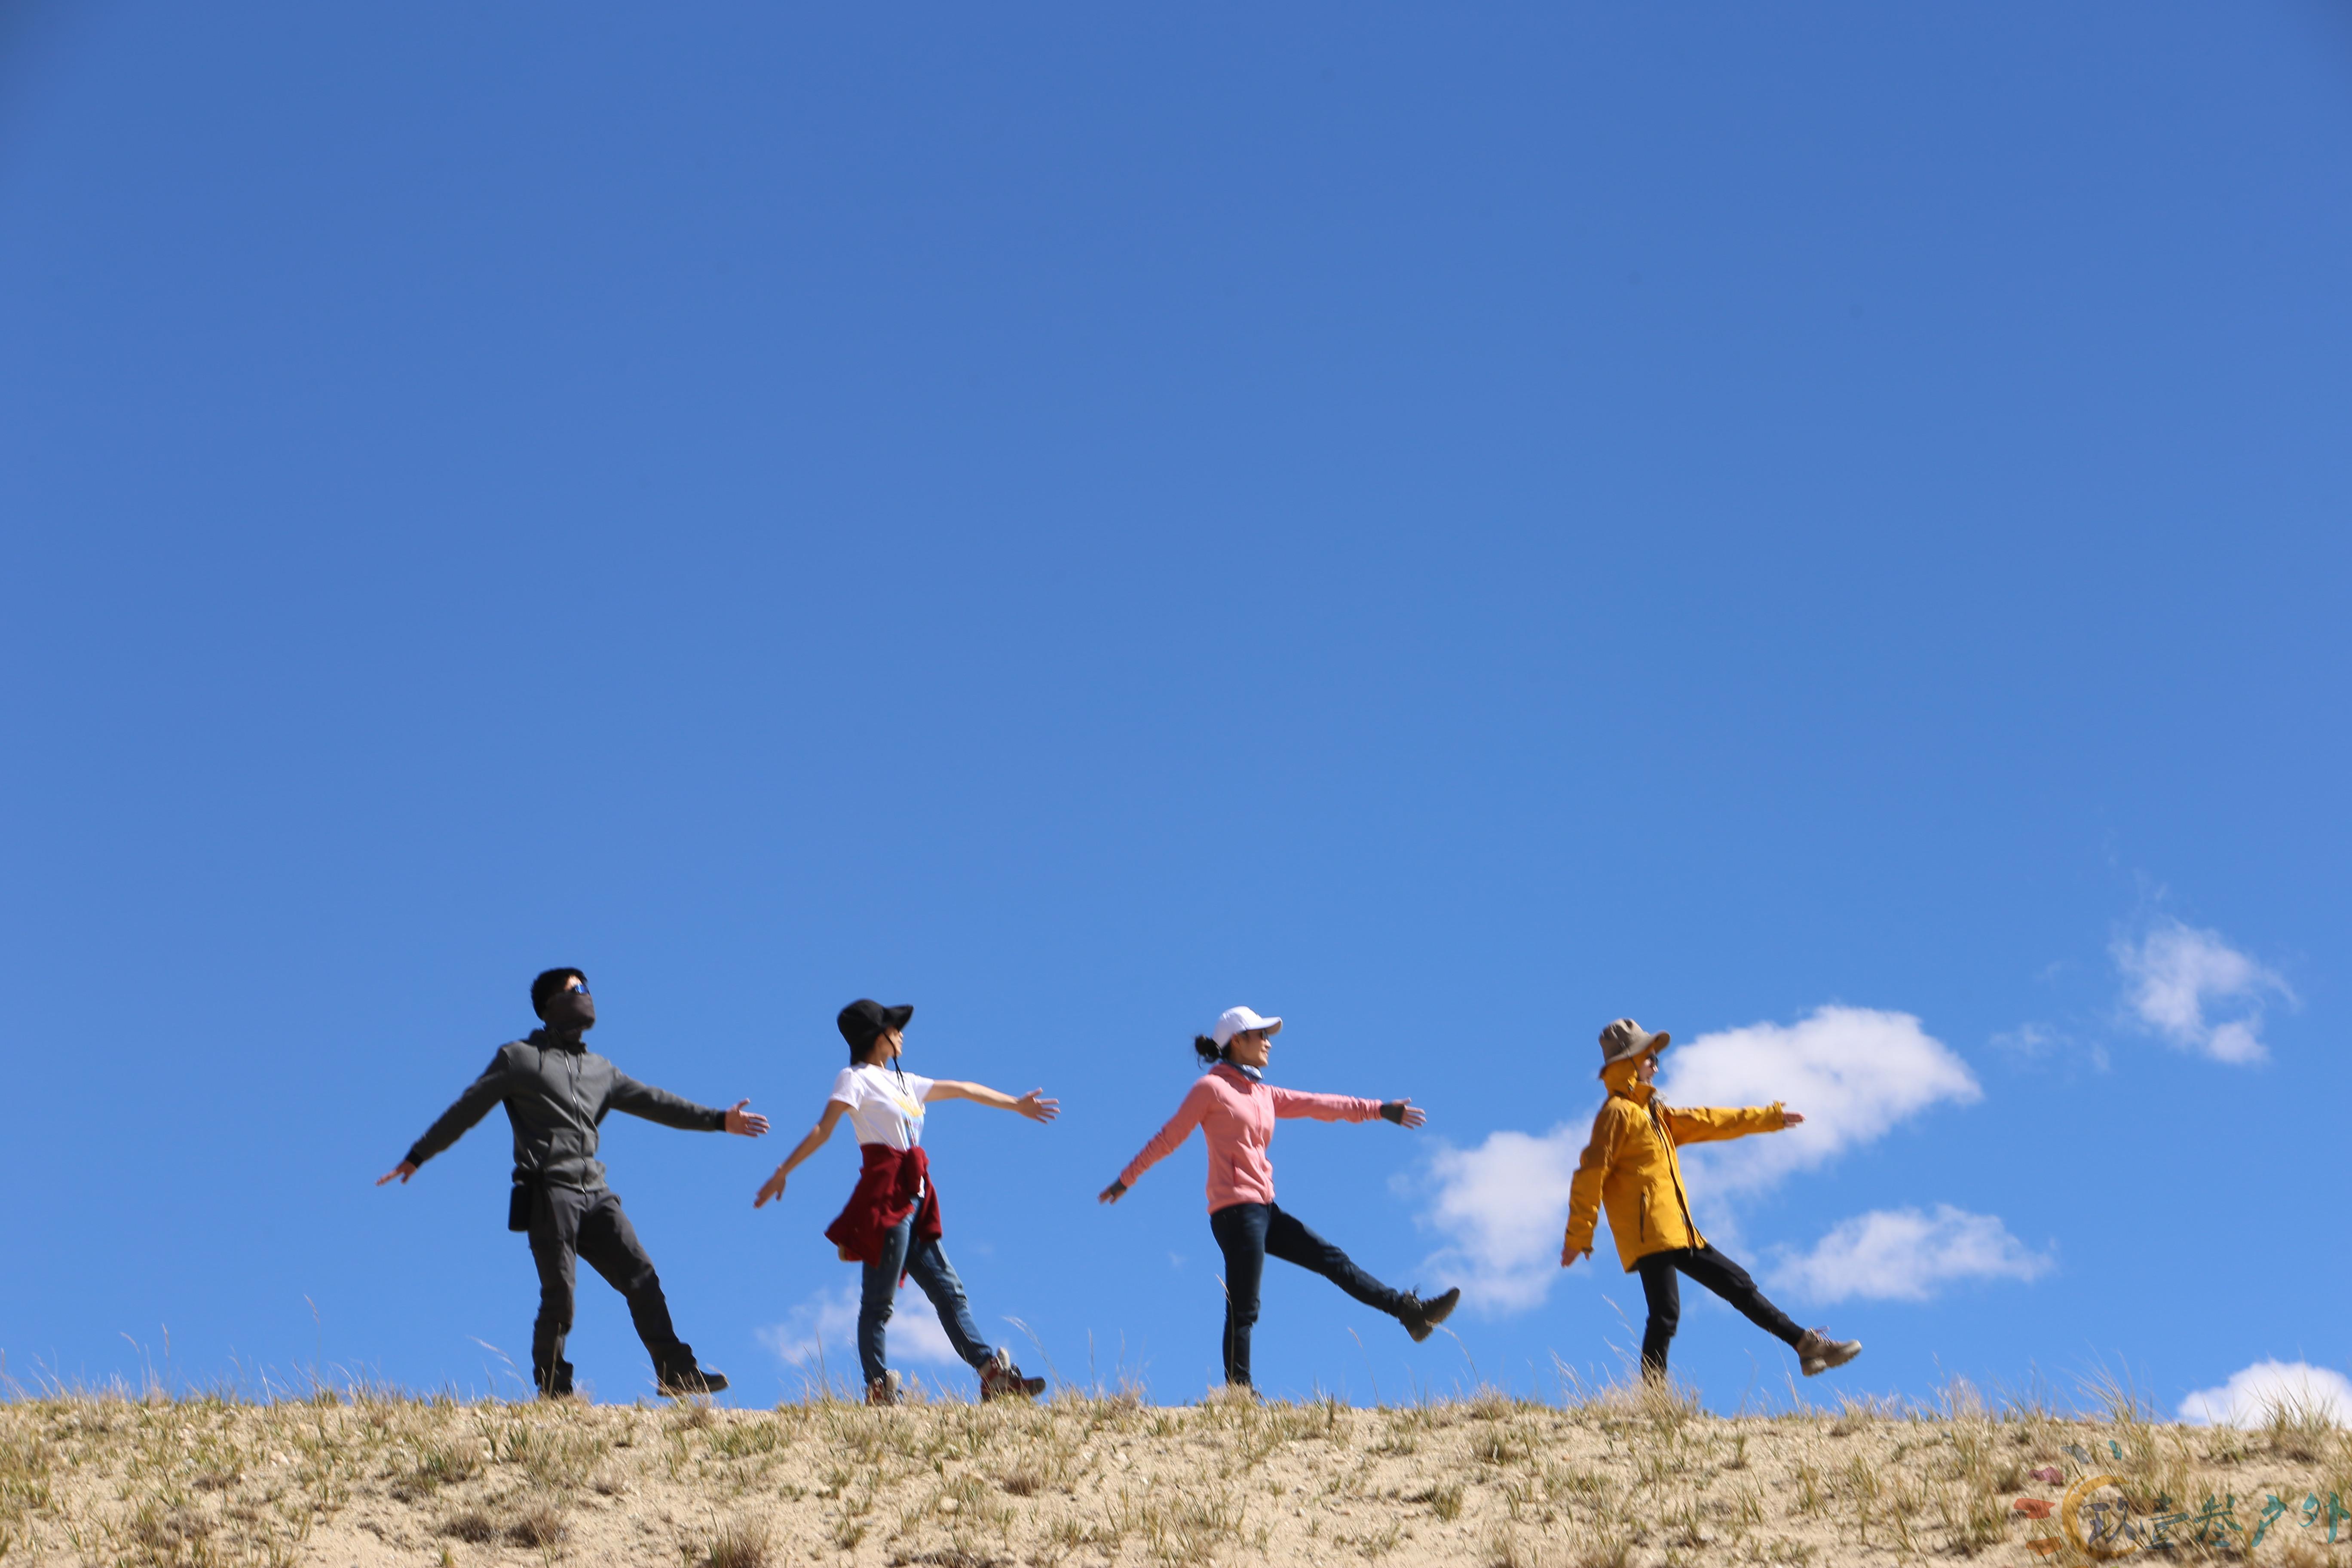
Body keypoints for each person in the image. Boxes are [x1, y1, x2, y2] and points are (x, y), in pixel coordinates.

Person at [377, 968, 769, 1399]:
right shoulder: (519, 1058)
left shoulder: (601, 1070)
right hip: (549, 1191)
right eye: (574, 989)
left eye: (587, 988)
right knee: (561, 1296)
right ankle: (554, 1389)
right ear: (549, 1005)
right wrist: (418, 1155)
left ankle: (676, 1372)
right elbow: (466, 1109)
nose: (585, 995)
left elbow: (658, 1103)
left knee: (642, 1276)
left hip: (597, 1194)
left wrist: (718, 1120)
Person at [1099, 1006, 1460, 1392]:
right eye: (1260, 1035)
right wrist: (1126, 1179)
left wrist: (1378, 1110)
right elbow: (1168, 1137)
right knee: (1244, 1304)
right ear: (1237, 1042)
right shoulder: (1211, 1089)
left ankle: (1410, 1313)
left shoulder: (1263, 1092)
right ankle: (1239, 1393)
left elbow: (1320, 1105)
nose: (1269, 1042)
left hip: (1264, 1208)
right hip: (1234, 1212)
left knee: (1333, 1260)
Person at [754, 999, 1057, 1406]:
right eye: (894, 1028)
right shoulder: (853, 1079)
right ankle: (877, 1386)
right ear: (875, 1037)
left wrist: (1015, 1104)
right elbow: (822, 1129)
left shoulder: (906, 1082)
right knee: (879, 1301)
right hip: (885, 1197)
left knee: (950, 1291)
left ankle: (992, 1376)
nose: (901, 1034)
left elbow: (966, 1089)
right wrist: (784, 1169)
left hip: (916, 1196)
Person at [1561, 1017, 1862, 1381]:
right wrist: (1579, 1236)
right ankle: (1653, 1401)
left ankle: (1805, 1345)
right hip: (1647, 1232)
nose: (1656, 1064)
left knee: (1738, 1283)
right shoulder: (1618, 1114)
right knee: (1666, 1314)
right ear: (1628, 1063)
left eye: (1656, 1057)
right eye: (1649, 1057)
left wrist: (1768, 1118)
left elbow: (1708, 1121)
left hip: (1676, 1228)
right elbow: (1591, 1174)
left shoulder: (1654, 1113)